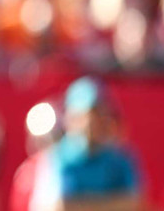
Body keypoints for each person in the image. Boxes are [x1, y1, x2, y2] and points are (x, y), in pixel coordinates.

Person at [34, 77, 143, 211]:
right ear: (71, 117)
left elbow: (134, 204)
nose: (93, 122)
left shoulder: (120, 158)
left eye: (100, 114)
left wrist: (80, 204)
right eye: (89, 114)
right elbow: (57, 206)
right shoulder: (57, 158)